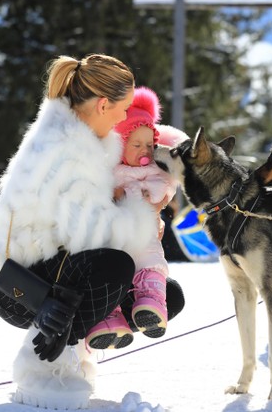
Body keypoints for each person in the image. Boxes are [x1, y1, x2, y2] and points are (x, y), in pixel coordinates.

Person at [0, 54, 184, 410]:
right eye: (124, 108)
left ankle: (72, 344)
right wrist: (147, 213)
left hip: (41, 279)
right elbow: (97, 237)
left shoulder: (76, 135)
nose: (125, 117)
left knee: (165, 296)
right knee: (115, 267)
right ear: (103, 104)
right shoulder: (72, 151)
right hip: (22, 291)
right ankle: (45, 367)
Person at [85, 87, 186, 349]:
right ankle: (109, 317)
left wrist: (152, 200)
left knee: (151, 264)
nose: (145, 151)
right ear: (120, 144)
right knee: (112, 275)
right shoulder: (111, 171)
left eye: (150, 145)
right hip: (115, 239)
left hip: (146, 238)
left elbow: (163, 190)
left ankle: (151, 305)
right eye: (137, 144)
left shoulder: (156, 172)